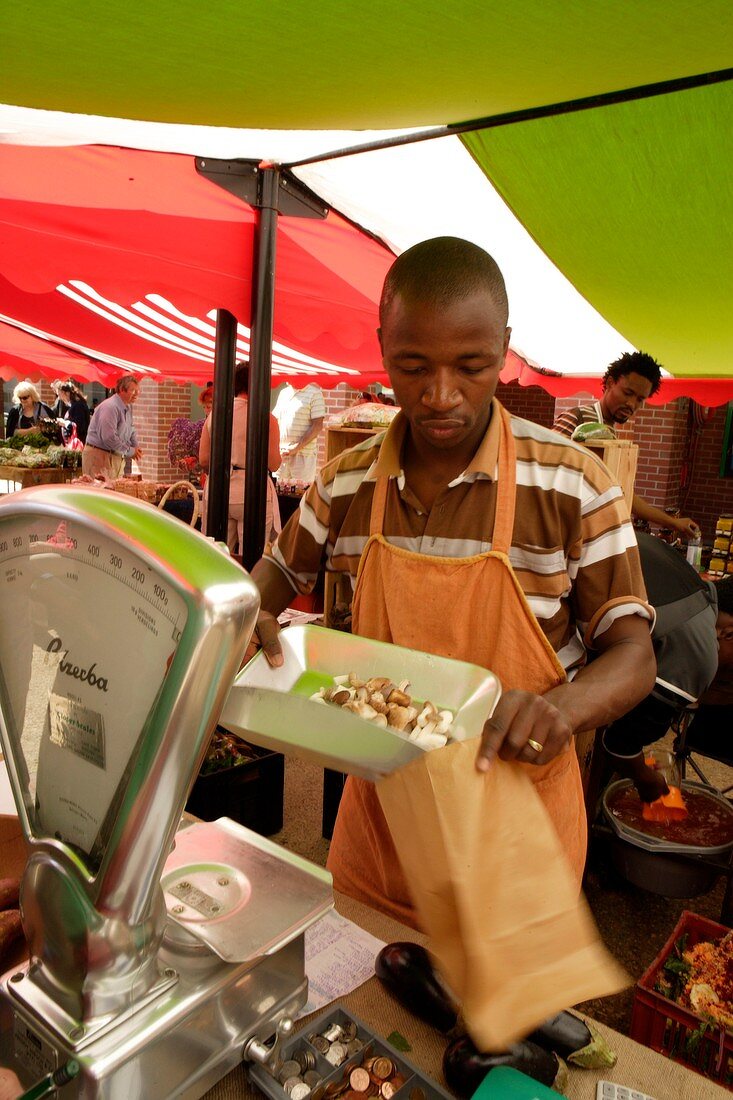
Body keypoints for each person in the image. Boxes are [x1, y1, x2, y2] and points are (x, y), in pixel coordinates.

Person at [247, 236, 656, 926]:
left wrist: (565, 707)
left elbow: (633, 651)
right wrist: (243, 614)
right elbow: (275, 577)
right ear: (382, 347)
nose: (440, 396)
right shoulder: (346, 479)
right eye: (411, 367)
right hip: (380, 839)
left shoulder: (571, 481)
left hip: (516, 843)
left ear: (504, 346)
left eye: (471, 366)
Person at [602, 535, 733, 801]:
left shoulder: (684, 574)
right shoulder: (700, 651)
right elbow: (618, 745)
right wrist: (645, 778)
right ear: (729, 634)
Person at [552, 352, 700, 538]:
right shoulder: (576, 419)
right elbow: (542, 472)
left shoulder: (610, 435)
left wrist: (674, 523)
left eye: (640, 399)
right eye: (627, 393)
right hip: (561, 536)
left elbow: (624, 494)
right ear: (610, 383)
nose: (631, 403)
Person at [199, 362, 282, 552]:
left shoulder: (215, 414)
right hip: (252, 492)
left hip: (219, 490)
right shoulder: (266, 418)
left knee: (218, 557)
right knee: (252, 558)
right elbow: (274, 463)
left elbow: (203, 459)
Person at [82, 375, 142, 479]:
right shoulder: (110, 407)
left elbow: (131, 430)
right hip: (100, 456)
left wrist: (135, 447)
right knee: (99, 493)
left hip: (114, 457)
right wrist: (130, 451)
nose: (137, 393)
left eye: (138, 390)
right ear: (122, 390)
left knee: (112, 491)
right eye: (133, 390)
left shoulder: (127, 407)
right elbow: (108, 437)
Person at [273, 382, 326, 484]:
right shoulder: (284, 393)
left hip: (303, 456)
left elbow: (317, 425)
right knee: (278, 493)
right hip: (282, 456)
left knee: (300, 496)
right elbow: (275, 420)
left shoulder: (315, 393)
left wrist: (296, 447)